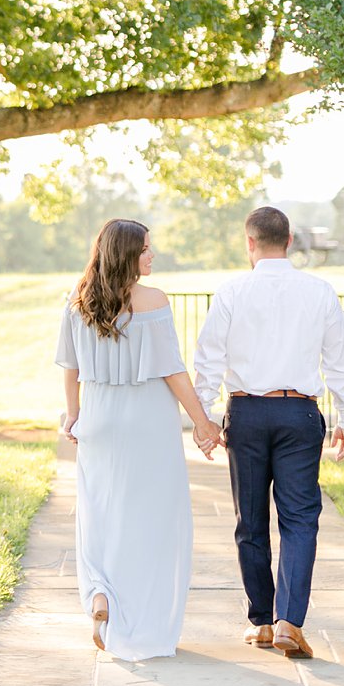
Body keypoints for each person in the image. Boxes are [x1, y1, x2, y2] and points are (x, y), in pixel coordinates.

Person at [192, 206, 344, 660]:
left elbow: (207, 357)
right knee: (300, 519)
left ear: (250, 243)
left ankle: (263, 622)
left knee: (250, 521)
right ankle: (288, 622)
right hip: (299, 414)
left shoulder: (231, 292)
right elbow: (341, 358)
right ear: (290, 241)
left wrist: (204, 419)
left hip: (244, 413)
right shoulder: (319, 291)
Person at [55, 218, 221, 659]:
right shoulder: (153, 301)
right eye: (146, 249)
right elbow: (171, 370)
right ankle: (141, 624)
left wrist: (74, 417)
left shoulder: (77, 299)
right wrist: (202, 422)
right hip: (148, 420)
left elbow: (69, 368)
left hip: (100, 417)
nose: (152, 255)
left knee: (100, 512)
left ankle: (101, 594)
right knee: (152, 519)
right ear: (128, 254)